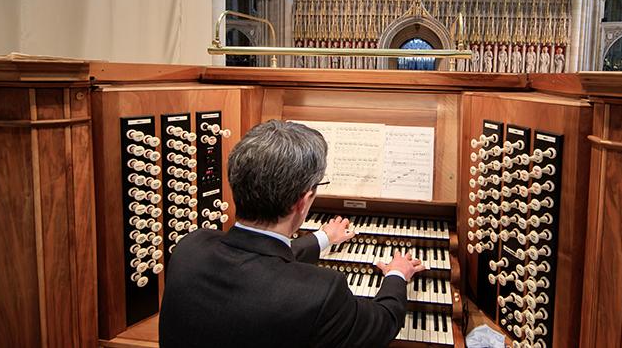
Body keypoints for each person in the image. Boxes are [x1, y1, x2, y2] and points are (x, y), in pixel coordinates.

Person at [159, 120, 426, 348]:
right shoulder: (321, 292)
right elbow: (383, 323)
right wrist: (396, 274)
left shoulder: (190, 248)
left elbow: (259, 260)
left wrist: (323, 238)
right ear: (304, 200)